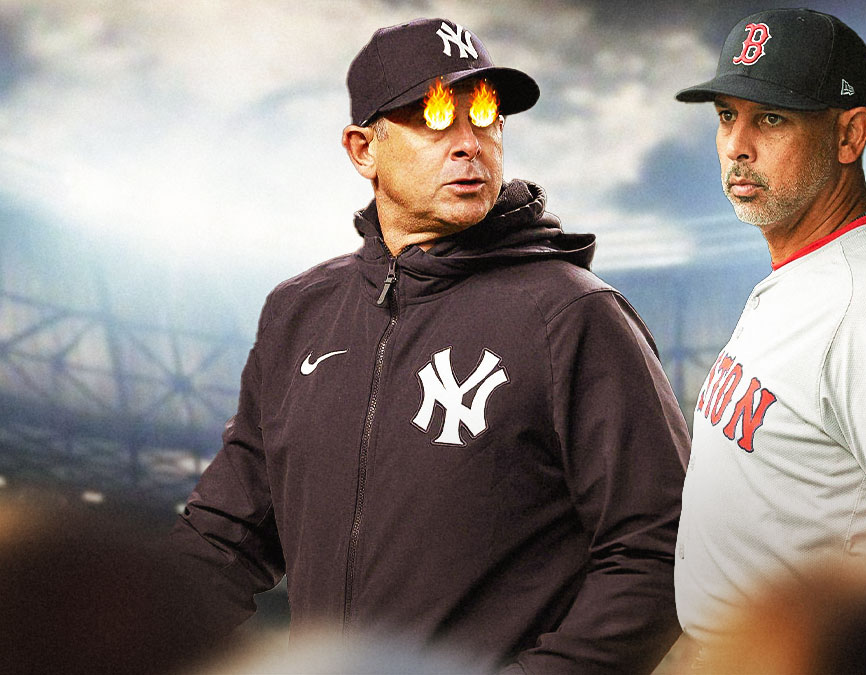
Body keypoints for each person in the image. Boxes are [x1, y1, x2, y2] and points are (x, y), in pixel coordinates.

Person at [169, 18, 690, 674]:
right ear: (363, 149)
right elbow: (226, 533)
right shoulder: (299, 313)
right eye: (437, 116)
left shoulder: (572, 314)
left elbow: (659, 549)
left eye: (487, 116)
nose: (470, 143)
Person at [671, 8, 866, 646]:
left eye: (772, 117)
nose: (738, 145)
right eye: (727, 116)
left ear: (850, 135)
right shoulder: (810, 270)